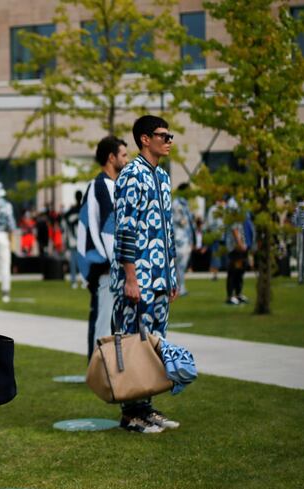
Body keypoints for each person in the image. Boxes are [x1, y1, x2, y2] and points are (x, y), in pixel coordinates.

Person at [111, 115, 180, 433]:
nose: (168, 141)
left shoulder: (163, 178)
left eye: (170, 136)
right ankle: (130, 413)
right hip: (137, 279)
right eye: (163, 136)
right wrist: (130, 277)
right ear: (144, 139)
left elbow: (167, 231)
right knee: (132, 345)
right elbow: (124, 230)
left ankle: (147, 408)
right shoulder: (131, 175)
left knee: (154, 346)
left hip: (161, 279)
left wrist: (173, 275)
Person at [79, 135, 127, 357]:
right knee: (103, 322)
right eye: (124, 155)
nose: (126, 161)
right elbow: (108, 229)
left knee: (103, 319)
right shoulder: (104, 186)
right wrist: (119, 264)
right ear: (111, 157)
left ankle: (100, 368)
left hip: (102, 264)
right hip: (106, 267)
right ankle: (101, 369)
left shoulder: (101, 185)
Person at [224, 196, 252, 305]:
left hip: (242, 242)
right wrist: (239, 242)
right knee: (234, 270)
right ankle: (230, 296)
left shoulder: (242, 202)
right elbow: (234, 226)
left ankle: (238, 293)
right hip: (235, 245)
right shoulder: (232, 204)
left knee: (240, 271)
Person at [172, 183, 196, 297]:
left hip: (186, 238)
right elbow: (181, 221)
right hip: (180, 239)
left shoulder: (185, 204)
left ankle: (180, 287)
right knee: (180, 265)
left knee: (182, 265)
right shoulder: (177, 204)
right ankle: (179, 288)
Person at [64, 191, 85, 288]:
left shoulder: (71, 211)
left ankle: (74, 281)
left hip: (73, 239)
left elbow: (66, 220)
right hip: (82, 238)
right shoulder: (84, 209)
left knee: (73, 261)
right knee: (83, 260)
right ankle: (84, 279)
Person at [205, 198, 226, 281]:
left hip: (218, 235)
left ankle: (215, 274)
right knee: (216, 255)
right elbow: (210, 223)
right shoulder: (215, 209)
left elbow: (209, 223)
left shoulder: (216, 209)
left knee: (216, 255)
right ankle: (215, 274)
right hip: (218, 235)